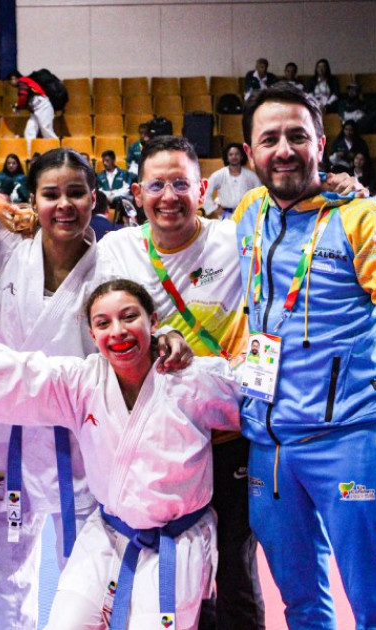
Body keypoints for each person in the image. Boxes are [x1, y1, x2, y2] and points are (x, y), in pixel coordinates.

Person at [0, 278, 241, 630]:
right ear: (91, 333)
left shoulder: (194, 379)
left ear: (153, 321)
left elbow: (257, 393)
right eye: (103, 323)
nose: (117, 331)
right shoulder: (83, 381)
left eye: (129, 317)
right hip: (109, 535)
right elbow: (7, 371)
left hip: (176, 542)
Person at [233, 82, 376, 629]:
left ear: (320, 142)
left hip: (349, 440)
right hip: (268, 446)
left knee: (374, 606)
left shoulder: (359, 217)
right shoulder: (249, 211)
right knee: (301, 604)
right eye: (269, 138)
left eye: (297, 135)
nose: (284, 149)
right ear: (249, 153)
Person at [96, 135, 265, 630]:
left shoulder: (235, 240)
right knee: (175, 566)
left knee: (236, 561)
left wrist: (342, 185)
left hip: (229, 437)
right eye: (156, 185)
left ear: (203, 188)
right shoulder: (117, 249)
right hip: (163, 441)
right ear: (136, 192)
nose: (168, 196)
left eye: (180, 184)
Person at [203, 143, 261, 219]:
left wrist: (254, 209)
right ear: (227, 158)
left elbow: (261, 194)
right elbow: (204, 191)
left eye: (237, 154)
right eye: (231, 154)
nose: (234, 157)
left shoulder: (251, 176)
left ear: (242, 156)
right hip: (225, 215)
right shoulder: (219, 175)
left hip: (246, 215)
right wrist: (213, 208)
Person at [8, 70, 58, 151]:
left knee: (47, 131)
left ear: (15, 78)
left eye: (11, 80)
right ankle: (31, 154)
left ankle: (58, 151)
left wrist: (18, 107)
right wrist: (19, 106)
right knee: (29, 132)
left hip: (43, 107)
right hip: (36, 110)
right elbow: (27, 100)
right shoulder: (26, 82)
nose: (10, 83)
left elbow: (23, 97)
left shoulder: (22, 81)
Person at [95, 149, 136, 214]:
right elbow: (99, 190)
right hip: (105, 200)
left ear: (113, 161)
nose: (105, 163)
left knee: (122, 200)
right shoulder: (100, 176)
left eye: (107, 161)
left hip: (119, 199)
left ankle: (126, 220)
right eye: (103, 161)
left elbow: (126, 189)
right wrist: (108, 196)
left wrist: (113, 195)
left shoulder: (124, 174)